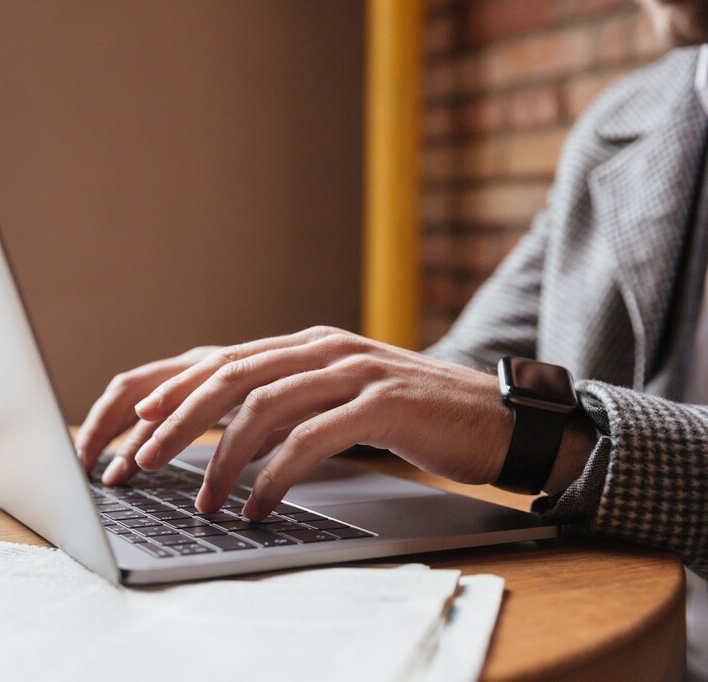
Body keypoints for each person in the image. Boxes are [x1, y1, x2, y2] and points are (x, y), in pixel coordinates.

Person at [75, 0, 707, 676]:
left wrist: (547, 437)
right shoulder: (626, 120)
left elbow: (503, 415)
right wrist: (296, 385)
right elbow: (465, 371)